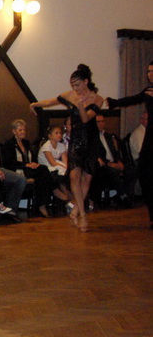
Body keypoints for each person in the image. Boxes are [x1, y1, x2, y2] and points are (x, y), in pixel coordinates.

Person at [31, 64, 103, 232]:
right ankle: (83, 214)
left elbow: (85, 119)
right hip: (76, 141)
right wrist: (34, 104)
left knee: (86, 179)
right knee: (74, 176)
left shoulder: (97, 99)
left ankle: (77, 208)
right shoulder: (70, 95)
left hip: (91, 142)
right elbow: (51, 101)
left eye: (77, 84)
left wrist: (80, 106)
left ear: (86, 82)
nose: (75, 88)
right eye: (72, 85)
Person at [107, 61, 153, 229]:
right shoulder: (148, 91)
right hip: (151, 136)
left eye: (152, 71)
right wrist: (115, 102)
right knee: (144, 172)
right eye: (148, 71)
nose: (150, 74)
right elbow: (133, 99)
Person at [1, 119, 56, 217]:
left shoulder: (26, 143)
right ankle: (49, 198)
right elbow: (8, 163)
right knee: (42, 174)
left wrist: (34, 163)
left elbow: (32, 158)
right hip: (18, 170)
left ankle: (43, 203)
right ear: (14, 131)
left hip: (28, 169)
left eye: (24, 130)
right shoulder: (9, 144)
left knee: (43, 170)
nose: (23, 132)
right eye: (20, 130)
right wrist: (25, 165)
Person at [91, 114, 135, 208]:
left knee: (130, 170)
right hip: (103, 165)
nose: (101, 123)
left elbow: (115, 151)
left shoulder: (109, 136)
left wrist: (119, 161)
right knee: (112, 171)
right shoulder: (92, 138)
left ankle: (127, 195)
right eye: (98, 122)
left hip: (114, 162)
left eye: (102, 121)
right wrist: (109, 163)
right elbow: (95, 154)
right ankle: (123, 196)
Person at [37, 125, 72, 204]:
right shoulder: (46, 146)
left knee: (67, 172)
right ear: (50, 136)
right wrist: (63, 167)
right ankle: (64, 196)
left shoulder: (61, 145)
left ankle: (70, 196)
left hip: (57, 164)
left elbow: (65, 160)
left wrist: (66, 167)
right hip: (46, 166)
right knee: (59, 174)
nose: (59, 135)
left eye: (60, 133)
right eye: (56, 133)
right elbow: (52, 162)